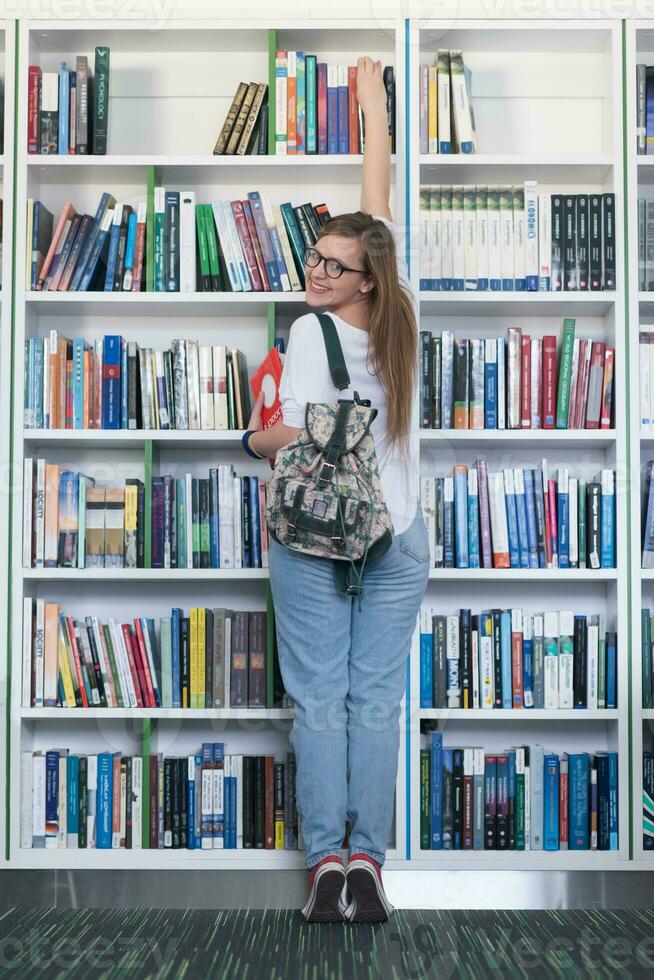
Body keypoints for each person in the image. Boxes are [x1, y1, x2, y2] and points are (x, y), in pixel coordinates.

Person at [242, 57, 428, 922]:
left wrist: (249, 436)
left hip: (314, 538)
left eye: (330, 263)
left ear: (358, 279)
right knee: (375, 699)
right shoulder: (401, 316)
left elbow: (302, 436)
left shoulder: (310, 333)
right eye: (314, 255)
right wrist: (373, 112)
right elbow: (376, 207)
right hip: (401, 533)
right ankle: (369, 865)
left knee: (320, 698)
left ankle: (325, 864)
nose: (315, 270)